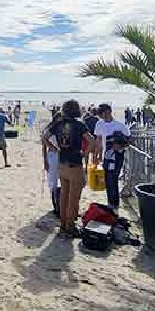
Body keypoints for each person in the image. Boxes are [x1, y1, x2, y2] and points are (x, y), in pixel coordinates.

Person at [49, 100, 95, 237]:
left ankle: (63, 224)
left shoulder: (58, 123)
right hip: (75, 163)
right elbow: (91, 141)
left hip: (62, 163)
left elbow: (44, 137)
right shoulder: (79, 125)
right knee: (74, 197)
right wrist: (85, 154)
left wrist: (54, 148)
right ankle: (70, 226)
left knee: (64, 195)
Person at [91, 104, 131, 214]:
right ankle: (111, 203)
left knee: (113, 179)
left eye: (102, 113)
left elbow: (128, 141)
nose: (101, 116)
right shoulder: (99, 124)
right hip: (106, 156)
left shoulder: (120, 126)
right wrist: (96, 156)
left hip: (118, 156)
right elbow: (98, 141)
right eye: (100, 114)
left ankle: (114, 205)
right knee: (108, 180)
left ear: (108, 112)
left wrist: (121, 146)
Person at [41, 112, 64, 216]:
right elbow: (44, 146)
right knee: (52, 181)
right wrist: (45, 160)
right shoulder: (49, 129)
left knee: (63, 180)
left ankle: (61, 204)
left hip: (63, 156)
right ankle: (55, 205)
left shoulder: (64, 128)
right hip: (53, 155)